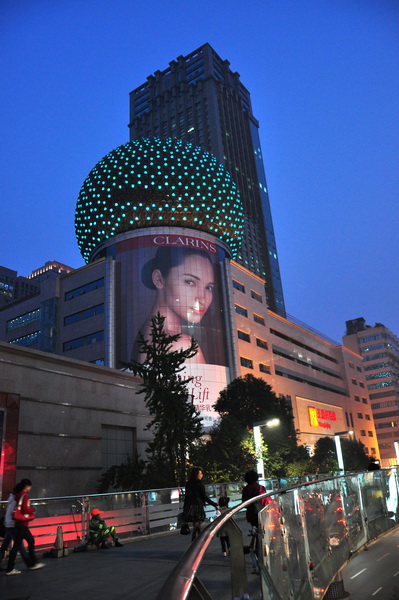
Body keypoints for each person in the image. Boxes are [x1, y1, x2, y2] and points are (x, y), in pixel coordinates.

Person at [135, 247, 216, 364]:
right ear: (158, 279)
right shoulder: (183, 345)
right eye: (190, 282)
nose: (202, 298)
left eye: (209, 288)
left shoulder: (142, 338)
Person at [6, 478, 45, 575]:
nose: (30, 488)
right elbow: (25, 510)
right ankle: (11, 568)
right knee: (18, 545)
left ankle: (32, 562)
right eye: (30, 486)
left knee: (29, 541)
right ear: (27, 486)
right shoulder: (25, 495)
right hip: (22, 524)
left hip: (19, 523)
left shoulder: (17, 495)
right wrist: (32, 509)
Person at [182, 468, 218, 541]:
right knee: (198, 523)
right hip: (198, 506)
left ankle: (196, 539)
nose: (202, 475)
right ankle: (198, 540)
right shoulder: (200, 484)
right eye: (200, 474)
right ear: (197, 475)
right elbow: (204, 497)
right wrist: (214, 504)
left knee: (195, 523)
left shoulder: (188, 484)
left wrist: (185, 508)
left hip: (190, 506)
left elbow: (186, 496)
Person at [0, 489, 29, 567]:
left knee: (4, 545)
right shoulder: (16, 500)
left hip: (8, 524)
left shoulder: (10, 498)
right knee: (20, 544)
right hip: (13, 525)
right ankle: (29, 563)